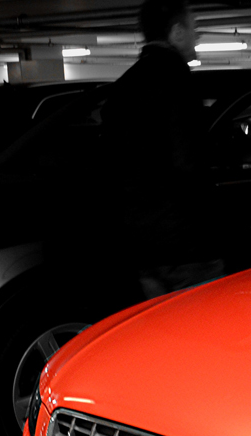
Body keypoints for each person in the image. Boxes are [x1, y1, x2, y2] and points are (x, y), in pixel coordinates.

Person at [100, 0, 223, 297]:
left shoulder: (123, 87)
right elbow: (188, 162)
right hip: (185, 245)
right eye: (194, 29)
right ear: (177, 32)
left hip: (141, 242)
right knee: (203, 317)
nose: (196, 37)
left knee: (161, 320)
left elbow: (112, 164)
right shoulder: (178, 82)